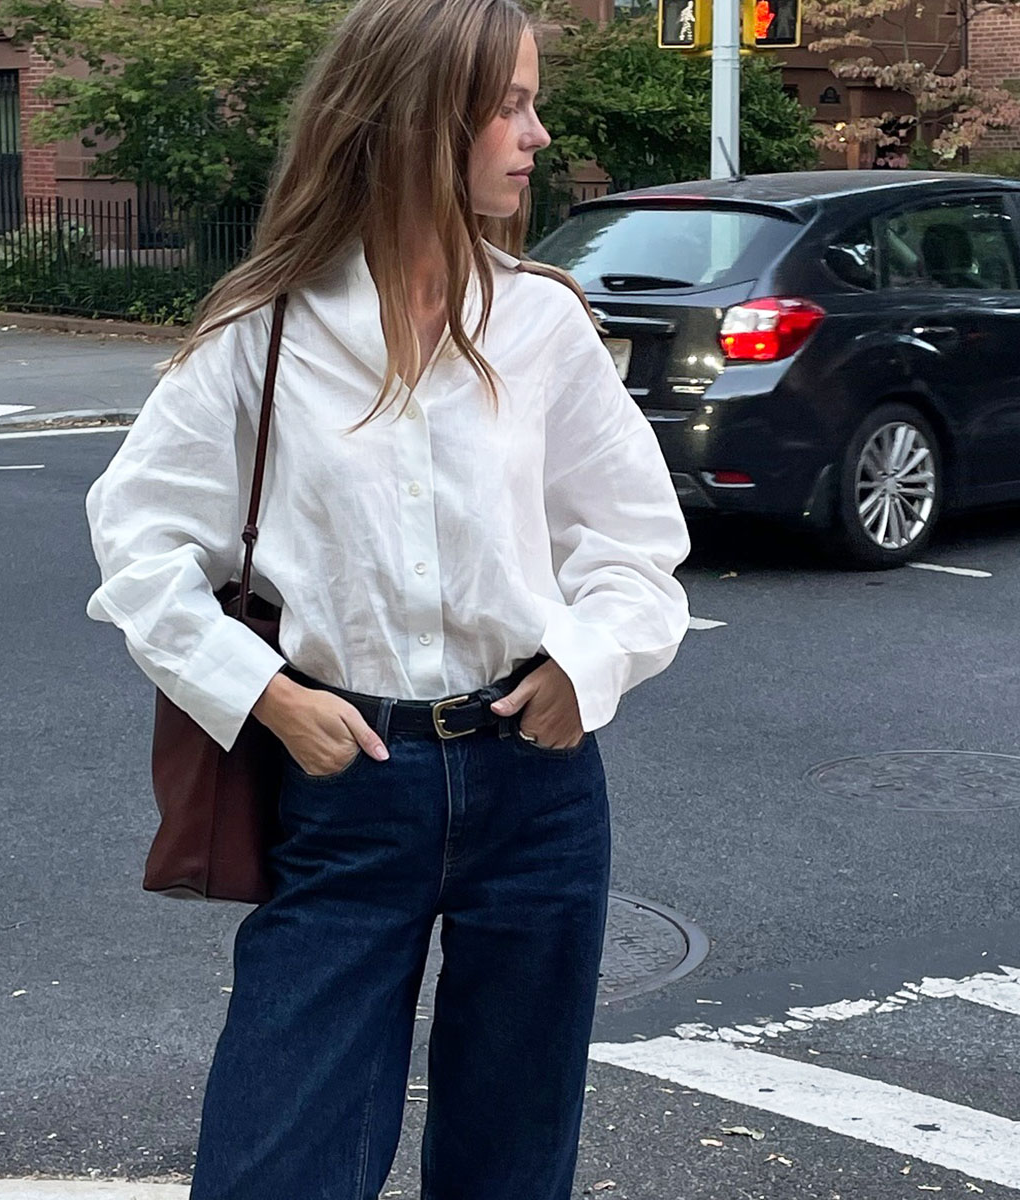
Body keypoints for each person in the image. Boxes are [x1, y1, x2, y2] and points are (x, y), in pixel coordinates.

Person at [84, 0, 691, 1196]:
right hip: (347, 781)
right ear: (422, 119)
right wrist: (264, 696)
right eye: (509, 104)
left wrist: (588, 667)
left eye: (530, 101)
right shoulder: (264, 337)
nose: (537, 131)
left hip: (536, 786)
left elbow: (636, 543)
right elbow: (135, 545)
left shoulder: (541, 324)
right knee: (276, 1162)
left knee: (510, 1161)